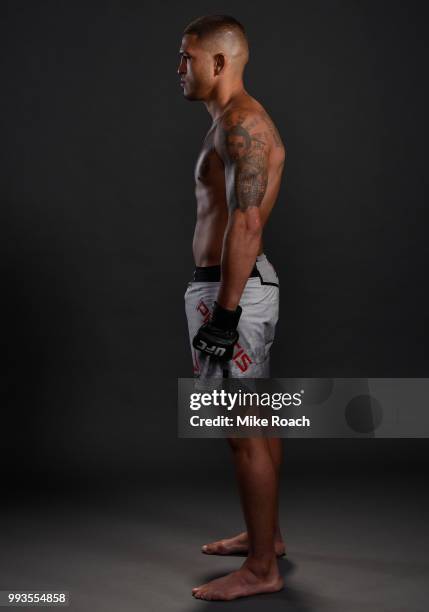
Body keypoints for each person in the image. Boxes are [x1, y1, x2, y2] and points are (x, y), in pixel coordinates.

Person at [179, 14, 286, 601]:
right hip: (236, 289)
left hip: (233, 293)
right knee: (257, 421)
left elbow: (245, 222)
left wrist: (222, 315)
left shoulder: (242, 124)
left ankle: (261, 569)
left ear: (219, 62)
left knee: (242, 428)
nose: (179, 69)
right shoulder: (231, 120)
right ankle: (267, 536)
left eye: (186, 58)